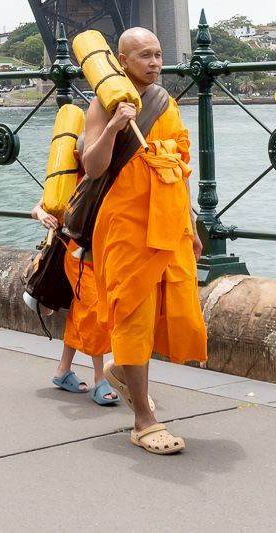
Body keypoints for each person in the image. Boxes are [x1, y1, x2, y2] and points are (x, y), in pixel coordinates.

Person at [83, 27, 206, 456]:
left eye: (158, 54)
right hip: (126, 225)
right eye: (144, 56)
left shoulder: (165, 103)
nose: (155, 63)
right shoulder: (103, 103)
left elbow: (177, 167)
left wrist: (191, 225)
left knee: (167, 311)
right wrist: (114, 127)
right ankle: (143, 421)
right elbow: (93, 167)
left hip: (169, 224)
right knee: (132, 314)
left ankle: (122, 371)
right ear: (122, 60)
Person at [30, 198, 117, 405]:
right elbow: (37, 208)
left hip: (102, 254)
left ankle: (63, 369)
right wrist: (42, 214)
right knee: (95, 308)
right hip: (77, 255)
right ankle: (100, 379)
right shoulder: (72, 182)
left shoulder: (105, 181)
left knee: (81, 308)